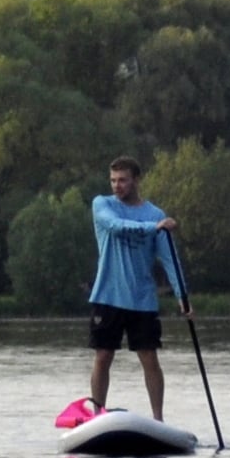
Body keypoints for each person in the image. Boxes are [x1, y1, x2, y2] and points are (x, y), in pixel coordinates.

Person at [79, 158, 174, 420]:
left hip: (142, 299)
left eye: (122, 180)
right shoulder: (102, 204)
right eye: (113, 180)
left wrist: (183, 296)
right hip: (107, 296)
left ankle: (158, 418)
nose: (117, 185)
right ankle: (97, 413)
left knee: (149, 358)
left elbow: (169, 259)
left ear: (135, 180)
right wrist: (153, 228)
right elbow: (115, 226)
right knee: (103, 355)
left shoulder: (155, 214)